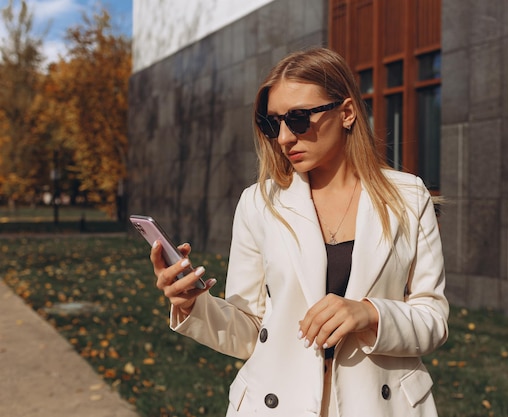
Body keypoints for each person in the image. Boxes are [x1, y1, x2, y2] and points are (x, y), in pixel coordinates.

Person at [150, 47, 449, 417]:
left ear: (347, 113)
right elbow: (250, 330)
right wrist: (192, 304)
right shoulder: (260, 202)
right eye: (273, 123)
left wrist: (370, 313)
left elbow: (433, 320)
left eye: (299, 118)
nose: (284, 138)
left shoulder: (407, 196)